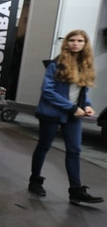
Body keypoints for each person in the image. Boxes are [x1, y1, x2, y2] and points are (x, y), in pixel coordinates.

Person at [28, 29, 102, 205]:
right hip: (52, 113)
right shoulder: (56, 64)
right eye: (72, 40)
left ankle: (75, 190)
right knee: (44, 146)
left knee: (74, 150)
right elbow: (47, 91)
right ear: (66, 42)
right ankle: (35, 180)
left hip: (73, 115)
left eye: (80, 41)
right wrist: (72, 107)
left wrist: (87, 105)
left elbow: (82, 92)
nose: (75, 43)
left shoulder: (85, 65)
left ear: (85, 44)